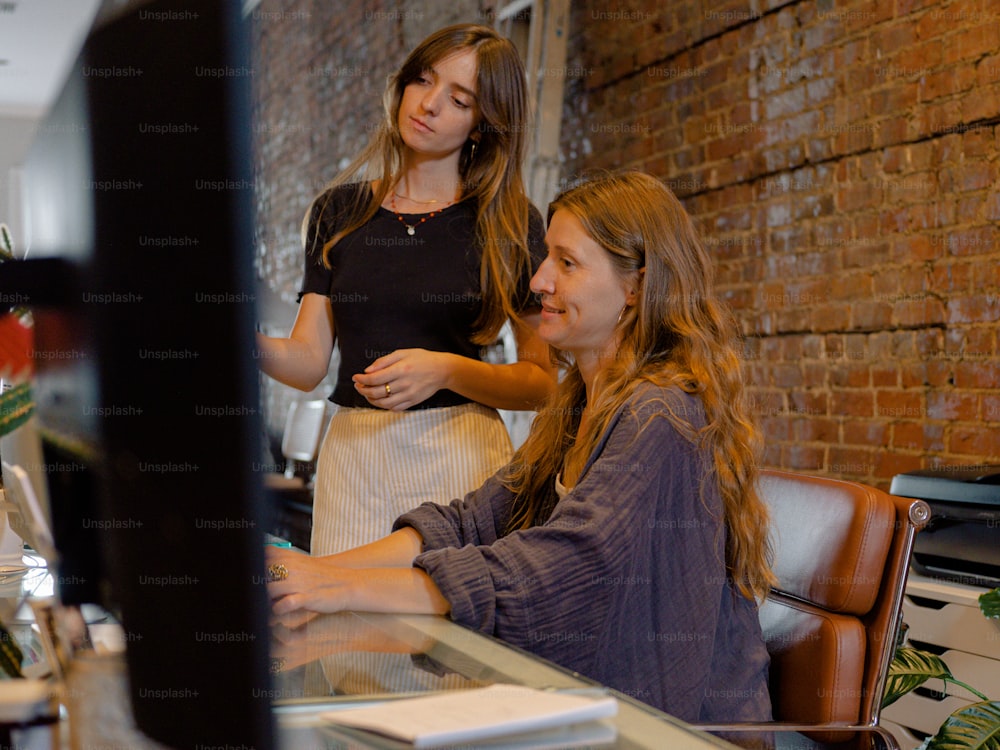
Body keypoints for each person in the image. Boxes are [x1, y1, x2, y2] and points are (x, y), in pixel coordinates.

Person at [266, 171, 775, 723]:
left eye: (567, 263)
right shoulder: (578, 405)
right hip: (583, 710)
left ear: (636, 287)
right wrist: (311, 575)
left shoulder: (661, 413)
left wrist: (338, 587)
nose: (538, 280)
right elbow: (470, 524)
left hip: (660, 730)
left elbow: (561, 565)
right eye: (546, 259)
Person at [257, 25, 556, 556]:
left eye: (458, 99)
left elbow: (542, 382)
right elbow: (307, 363)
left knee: (443, 631)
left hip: (462, 462)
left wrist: (447, 369)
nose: (430, 104)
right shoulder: (338, 212)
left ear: (481, 124)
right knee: (347, 633)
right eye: (423, 80)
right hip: (354, 459)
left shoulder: (509, 222)